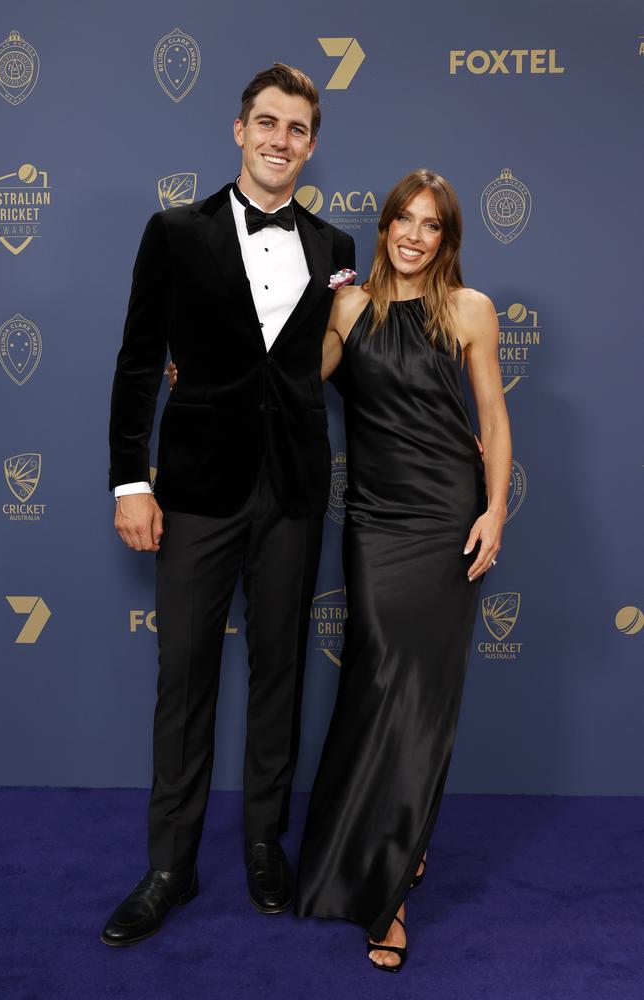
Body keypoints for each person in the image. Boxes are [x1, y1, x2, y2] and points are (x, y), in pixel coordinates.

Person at [102, 63, 355, 947]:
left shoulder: (334, 248)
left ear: (312, 145)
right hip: (198, 491)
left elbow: (343, 363)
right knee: (186, 680)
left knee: (281, 672)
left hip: (292, 488)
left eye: (297, 129)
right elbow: (139, 361)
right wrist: (131, 480)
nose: (281, 140)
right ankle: (170, 863)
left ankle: (263, 844)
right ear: (238, 129)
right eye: (267, 122)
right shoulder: (174, 232)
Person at [294, 169, 512, 971]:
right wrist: (206, 375)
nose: (415, 236)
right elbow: (292, 382)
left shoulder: (471, 310)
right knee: (376, 677)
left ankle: (389, 884)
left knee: (422, 698)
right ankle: (370, 846)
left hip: (448, 514)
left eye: (432, 226)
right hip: (377, 521)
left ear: (448, 240)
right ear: (384, 226)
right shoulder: (348, 307)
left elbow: (492, 415)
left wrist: (494, 512)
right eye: (403, 221)